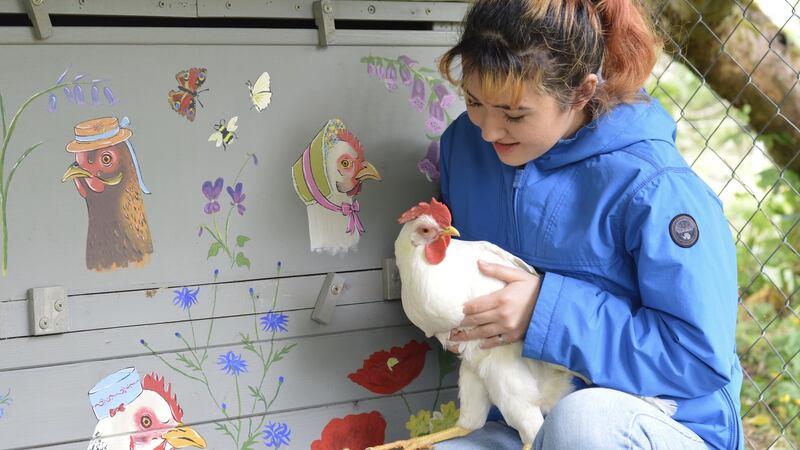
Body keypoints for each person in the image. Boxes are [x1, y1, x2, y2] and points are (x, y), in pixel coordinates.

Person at [434, 0, 743, 449]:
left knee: (583, 424)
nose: (488, 130)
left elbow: (698, 357)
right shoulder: (464, 146)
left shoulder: (655, 185)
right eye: (474, 101)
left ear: (581, 92)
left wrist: (545, 313)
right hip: (528, 423)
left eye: (514, 114)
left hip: (661, 421)